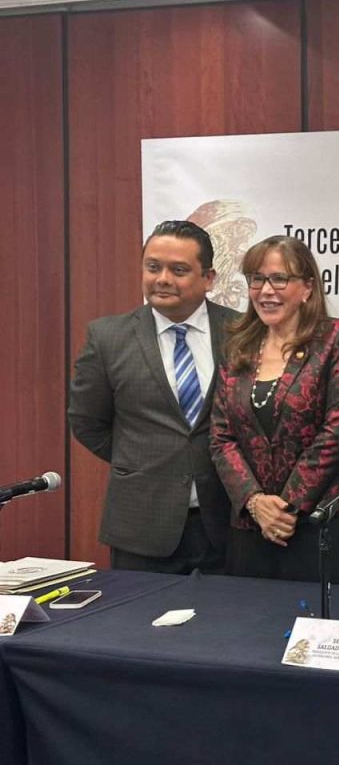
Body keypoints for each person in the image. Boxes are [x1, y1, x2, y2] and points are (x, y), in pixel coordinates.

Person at [69, 220, 238, 573]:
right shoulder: (108, 337)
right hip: (141, 526)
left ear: (208, 278)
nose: (162, 279)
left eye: (178, 270)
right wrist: (139, 459)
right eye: (153, 267)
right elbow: (86, 422)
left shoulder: (242, 332)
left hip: (228, 524)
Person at [209, 235, 339, 583]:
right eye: (257, 279)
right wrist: (255, 503)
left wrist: (286, 506)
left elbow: (338, 429)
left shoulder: (336, 337)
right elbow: (221, 438)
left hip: (322, 523)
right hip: (251, 527)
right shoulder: (237, 346)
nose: (266, 290)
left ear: (307, 287)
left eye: (279, 279)